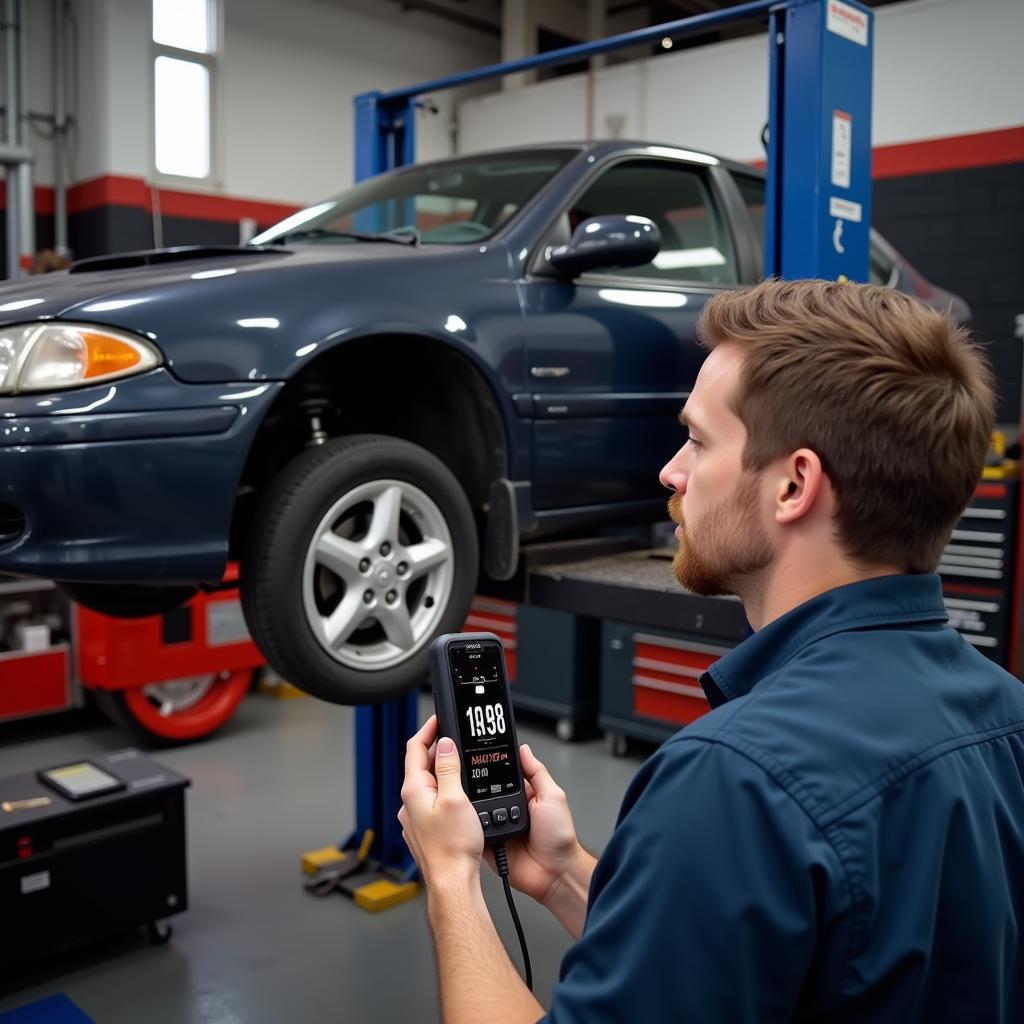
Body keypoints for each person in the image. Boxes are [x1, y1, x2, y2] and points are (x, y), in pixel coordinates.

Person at [399, 279, 1024, 1023]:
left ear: (794, 484)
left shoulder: (734, 781)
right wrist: (564, 873)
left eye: (698, 440)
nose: (673, 472)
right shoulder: (1009, 715)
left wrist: (450, 879)